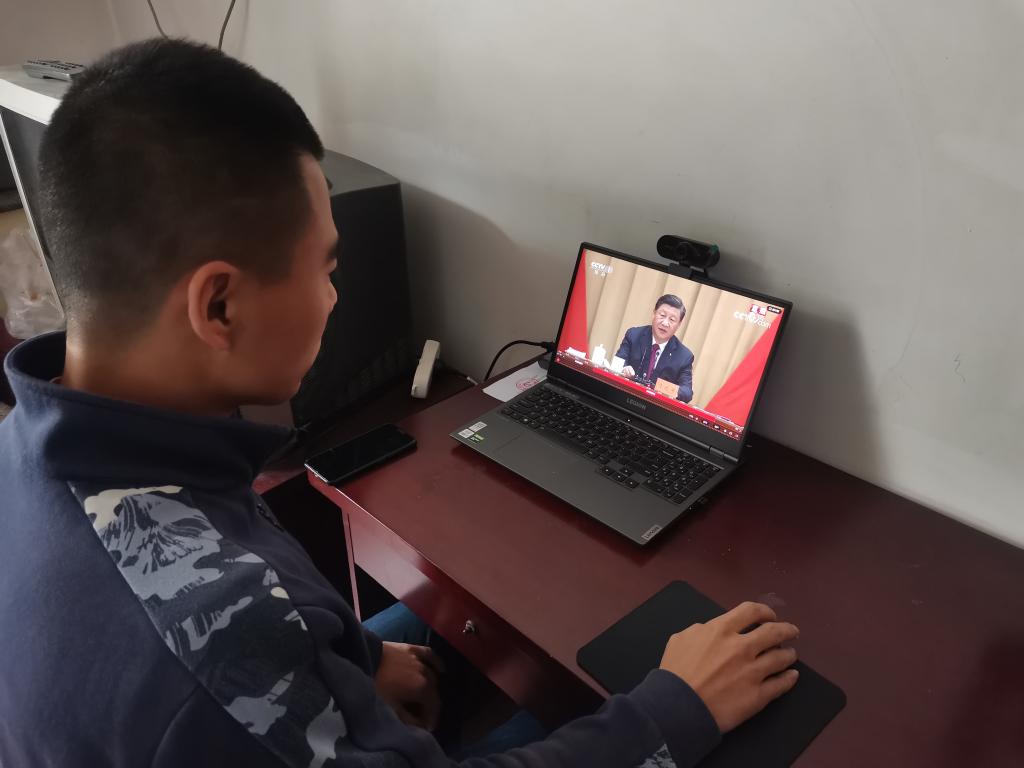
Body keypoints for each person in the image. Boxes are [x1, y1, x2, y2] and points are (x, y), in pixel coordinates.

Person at [0, 39, 799, 767]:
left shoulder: (32, 446)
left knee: (457, 631)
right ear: (219, 306)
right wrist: (675, 711)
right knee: (567, 702)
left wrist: (357, 658)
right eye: (326, 268)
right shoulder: (219, 651)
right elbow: (236, 655)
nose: (334, 295)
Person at [616, 295, 695, 402]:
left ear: (679, 324)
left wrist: (665, 388)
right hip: (625, 397)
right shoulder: (634, 335)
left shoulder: (684, 356)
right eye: (662, 315)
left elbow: (687, 392)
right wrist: (623, 369)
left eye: (672, 319)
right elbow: (618, 362)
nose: (665, 323)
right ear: (654, 313)